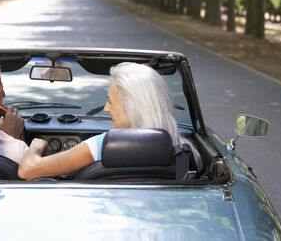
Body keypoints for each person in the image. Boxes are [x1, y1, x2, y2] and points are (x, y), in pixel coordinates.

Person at [18, 62, 200, 180]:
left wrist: (35, 143)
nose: (106, 108)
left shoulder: (101, 146)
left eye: (110, 101)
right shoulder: (184, 153)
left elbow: (28, 170)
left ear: (132, 108)